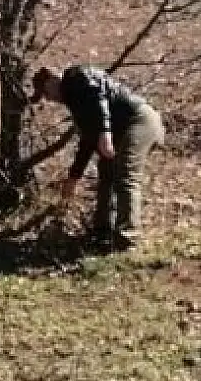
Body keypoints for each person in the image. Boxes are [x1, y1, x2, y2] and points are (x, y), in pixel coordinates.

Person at [30, 65, 164, 253]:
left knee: (126, 176)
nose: (49, 99)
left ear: (52, 80)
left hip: (139, 121)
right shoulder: (76, 102)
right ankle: (102, 233)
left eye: (45, 92)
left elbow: (98, 97)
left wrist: (106, 132)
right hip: (120, 129)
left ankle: (127, 240)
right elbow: (86, 143)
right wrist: (73, 177)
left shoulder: (76, 77)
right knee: (106, 175)